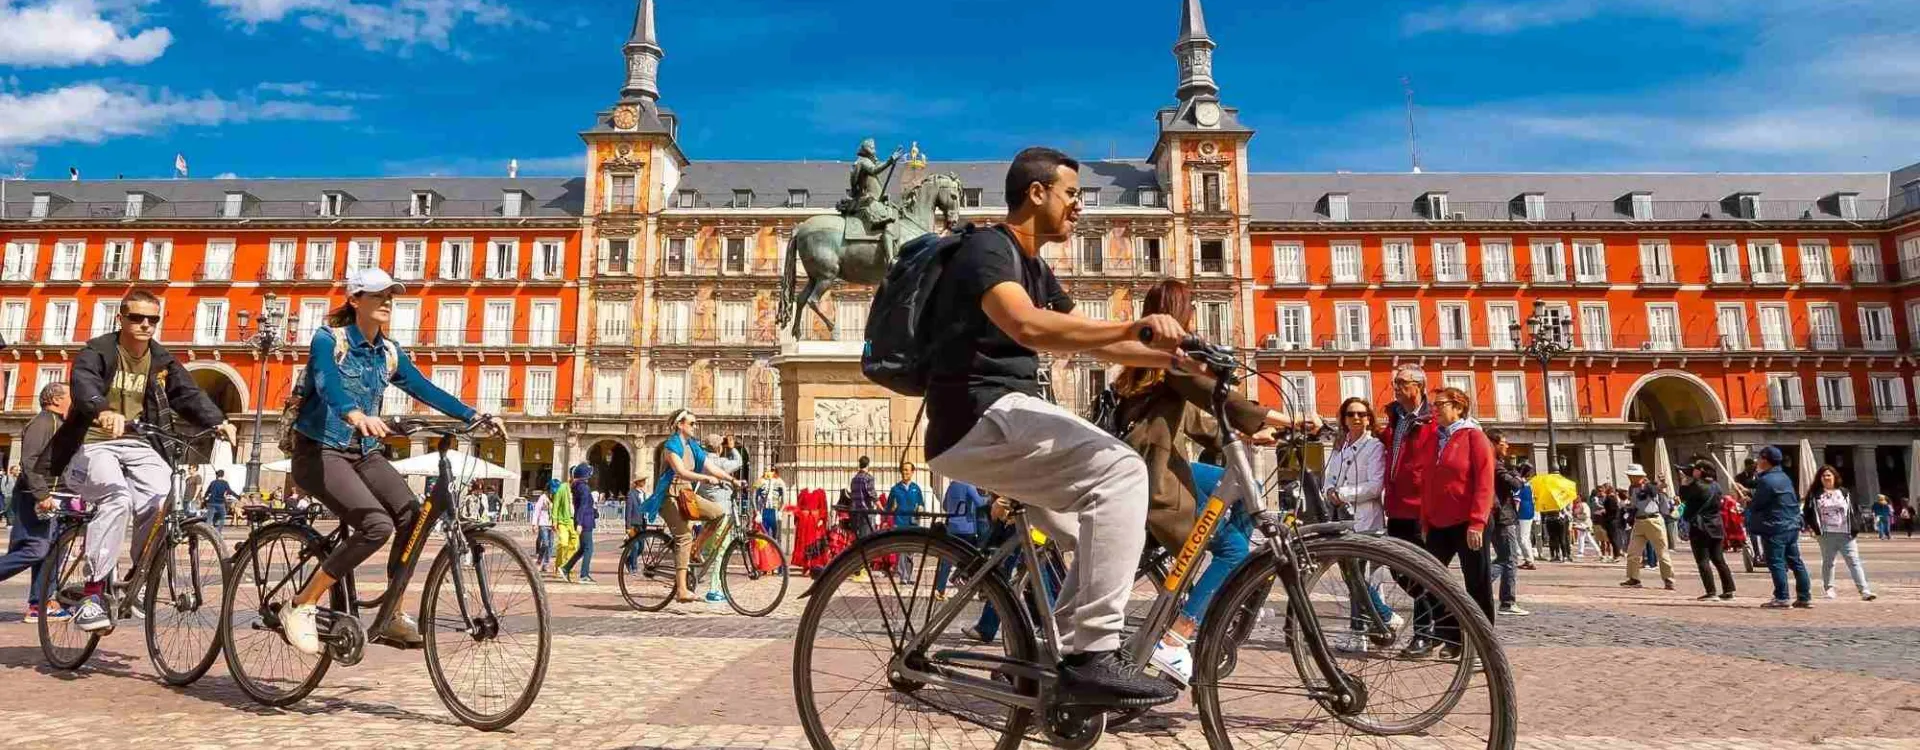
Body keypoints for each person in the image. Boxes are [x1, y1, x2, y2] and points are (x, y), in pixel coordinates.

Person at [920, 146, 1188, 707]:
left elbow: (1088, 332)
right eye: (1072, 194)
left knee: (1088, 530)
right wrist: (1135, 324)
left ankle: (1049, 661)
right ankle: (1091, 655)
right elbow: (1029, 326)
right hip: (979, 414)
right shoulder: (988, 249)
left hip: (1004, 419)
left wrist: (1178, 359)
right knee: (1121, 469)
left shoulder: (1036, 267)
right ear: (1037, 193)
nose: (1079, 207)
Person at [278, 270, 505, 655]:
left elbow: (423, 387)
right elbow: (326, 382)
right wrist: (353, 414)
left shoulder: (388, 352)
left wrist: (473, 415)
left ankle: (392, 613)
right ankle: (301, 604)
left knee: (411, 516)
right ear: (355, 300)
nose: (387, 302)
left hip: (364, 453)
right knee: (376, 525)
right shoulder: (328, 340)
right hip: (319, 451)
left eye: (391, 296)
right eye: (378, 295)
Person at [1109, 279, 1288, 679]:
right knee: (1234, 551)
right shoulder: (1167, 361)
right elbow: (1216, 396)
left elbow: (1196, 420)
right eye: (1189, 313)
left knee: (1246, 486)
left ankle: (1215, 591)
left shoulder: (1151, 365)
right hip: (1153, 480)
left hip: (1155, 465)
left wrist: (1243, 433)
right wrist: (1283, 418)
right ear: (1181, 316)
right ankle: (1178, 635)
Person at [50, 289, 238, 634]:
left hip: (138, 442)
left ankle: (138, 576)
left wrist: (218, 421)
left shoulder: (160, 359)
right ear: (121, 318)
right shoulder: (99, 350)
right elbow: (83, 382)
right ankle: (92, 594)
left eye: (152, 319)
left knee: (164, 495)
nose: (145, 325)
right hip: (93, 443)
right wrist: (102, 410)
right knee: (116, 497)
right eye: (136, 317)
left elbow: (187, 393)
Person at [1414, 386, 1496, 661]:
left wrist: (1478, 522)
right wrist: (1424, 519)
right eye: (1434, 405)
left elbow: (1485, 482)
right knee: (1429, 579)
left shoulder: (1475, 437)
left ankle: (1484, 647)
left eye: (1441, 404)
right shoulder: (1434, 439)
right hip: (1438, 522)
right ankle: (1452, 637)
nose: (1434, 409)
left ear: (1459, 407)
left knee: (1477, 584)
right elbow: (1426, 482)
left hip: (1469, 522)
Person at [1325, 397, 1402, 651]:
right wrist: (1328, 492)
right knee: (1352, 576)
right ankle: (1360, 631)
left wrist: (1344, 493)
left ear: (1369, 417)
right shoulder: (1339, 448)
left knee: (1357, 577)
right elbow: (1329, 479)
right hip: (1342, 520)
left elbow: (1374, 486)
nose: (1356, 418)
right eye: (1350, 414)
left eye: (1361, 414)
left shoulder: (1374, 447)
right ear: (1343, 418)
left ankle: (1384, 616)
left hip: (1366, 519)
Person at [650, 410, 744, 603]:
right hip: (669, 496)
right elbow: (681, 471)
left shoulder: (692, 446)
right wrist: (705, 478)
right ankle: (682, 589)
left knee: (719, 514)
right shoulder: (671, 445)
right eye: (692, 423)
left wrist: (731, 480)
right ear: (680, 425)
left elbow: (711, 466)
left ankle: (696, 547)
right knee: (683, 537)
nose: (695, 426)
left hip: (686, 494)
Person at [0, 383, 73, 622]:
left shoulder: (58, 424)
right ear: (55, 399)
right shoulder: (44, 423)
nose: (73, 400)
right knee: (35, 549)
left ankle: (40, 604)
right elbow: (29, 461)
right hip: (36, 497)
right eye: (69, 396)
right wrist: (42, 495)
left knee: (51, 551)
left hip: (53, 498)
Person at [1746, 446, 1811, 608]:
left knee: (1776, 563)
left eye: (1760, 458)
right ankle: (1804, 596)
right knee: (1796, 562)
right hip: (1790, 525)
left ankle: (1782, 597)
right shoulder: (1783, 477)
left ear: (1765, 460)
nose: (1758, 461)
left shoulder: (1766, 480)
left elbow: (1757, 504)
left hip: (1775, 526)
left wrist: (1747, 500)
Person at [1803, 465, 1875, 601]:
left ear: (1835, 477)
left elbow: (1855, 511)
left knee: (1854, 561)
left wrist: (1856, 527)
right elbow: (1807, 512)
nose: (1826, 478)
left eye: (1829, 475)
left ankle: (1864, 590)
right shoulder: (1815, 494)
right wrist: (1813, 528)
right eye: (1823, 476)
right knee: (1828, 562)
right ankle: (1829, 589)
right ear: (1820, 478)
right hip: (1826, 533)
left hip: (1846, 533)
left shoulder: (1844, 492)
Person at [1486, 432, 1529, 617]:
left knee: (1504, 557)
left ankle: (1483, 587)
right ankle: (1507, 601)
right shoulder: (1495, 464)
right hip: (1503, 517)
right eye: (1504, 443)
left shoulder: (1491, 463)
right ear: (1494, 444)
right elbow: (1514, 484)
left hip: (1497, 516)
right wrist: (1519, 476)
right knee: (1509, 559)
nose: (1507, 446)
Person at [1680, 460, 1735, 600]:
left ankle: (1711, 592)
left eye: (1695, 469)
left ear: (1701, 470)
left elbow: (1685, 499)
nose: (1693, 471)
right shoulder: (1717, 486)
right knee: (1719, 559)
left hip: (1701, 527)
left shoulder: (1697, 486)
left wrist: (1684, 484)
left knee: (1702, 560)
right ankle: (1729, 589)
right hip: (1716, 525)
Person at [1620, 464, 1676, 590]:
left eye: (1632, 476)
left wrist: (1661, 483)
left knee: (1661, 552)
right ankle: (1634, 578)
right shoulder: (1632, 488)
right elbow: (1634, 503)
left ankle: (1668, 579)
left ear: (1639, 476)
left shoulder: (1649, 486)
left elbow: (1657, 489)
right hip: (1639, 522)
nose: (1629, 477)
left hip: (1653, 520)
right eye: (1629, 475)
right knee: (1633, 552)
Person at [932, 479, 986, 600]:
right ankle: (959, 576)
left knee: (947, 559)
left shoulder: (951, 486)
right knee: (973, 557)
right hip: (967, 528)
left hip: (952, 526)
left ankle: (940, 589)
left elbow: (945, 505)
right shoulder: (969, 485)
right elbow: (980, 504)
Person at [887, 462, 926, 583]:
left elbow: (921, 504)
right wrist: (892, 509)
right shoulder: (895, 489)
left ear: (912, 472)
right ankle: (902, 576)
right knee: (902, 550)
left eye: (907, 470)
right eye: (903, 470)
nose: (905, 472)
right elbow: (888, 507)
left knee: (910, 551)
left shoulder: (916, 488)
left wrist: (920, 508)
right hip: (900, 522)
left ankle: (908, 576)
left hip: (913, 523)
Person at [562, 464, 599, 584]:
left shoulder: (577, 486)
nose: (590, 476)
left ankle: (566, 568)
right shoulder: (583, 487)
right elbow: (582, 506)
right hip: (585, 521)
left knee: (583, 548)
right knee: (589, 548)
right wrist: (579, 522)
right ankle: (584, 575)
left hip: (585, 519)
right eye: (588, 474)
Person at [848, 456, 877, 540]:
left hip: (855, 512)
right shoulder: (868, 478)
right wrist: (882, 508)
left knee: (859, 539)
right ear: (868, 465)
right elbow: (872, 495)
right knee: (868, 539)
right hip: (866, 511)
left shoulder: (854, 479)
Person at [1514, 469, 1538, 569]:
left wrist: (1515, 514)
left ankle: (1529, 560)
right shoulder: (1530, 486)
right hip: (1529, 512)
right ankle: (1529, 559)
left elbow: (1517, 501)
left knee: (1522, 538)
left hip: (1522, 513)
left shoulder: (1520, 486)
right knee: (1525, 537)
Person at [1569, 492, 1598, 561]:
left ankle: (1581, 551)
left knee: (1582, 537)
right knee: (1585, 537)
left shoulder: (1584, 505)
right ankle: (1597, 550)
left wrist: (1577, 516)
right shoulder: (1579, 505)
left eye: (1578, 497)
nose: (1576, 498)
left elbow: (1586, 515)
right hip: (1580, 523)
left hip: (1585, 523)